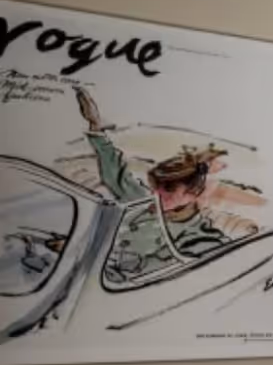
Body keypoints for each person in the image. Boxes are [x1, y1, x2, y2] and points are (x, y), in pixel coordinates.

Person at [71, 86, 255, 282]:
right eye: (155, 184)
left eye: (168, 188)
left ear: (193, 194)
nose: (156, 193)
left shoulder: (198, 238)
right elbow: (114, 173)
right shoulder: (143, 201)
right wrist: (94, 123)